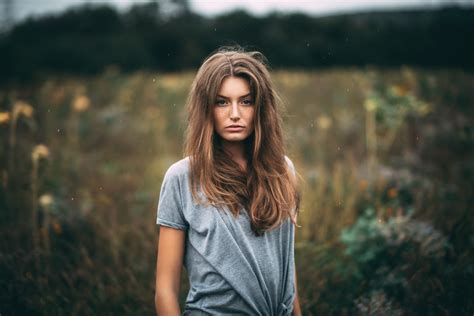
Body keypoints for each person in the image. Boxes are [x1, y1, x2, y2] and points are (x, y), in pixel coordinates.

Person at [154, 45, 302, 316]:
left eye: (246, 101)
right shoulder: (182, 177)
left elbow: (286, 269)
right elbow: (165, 289)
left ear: (261, 107)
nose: (235, 113)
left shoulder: (283, 170)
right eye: (222, 102)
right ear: (206, 108)